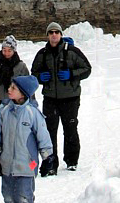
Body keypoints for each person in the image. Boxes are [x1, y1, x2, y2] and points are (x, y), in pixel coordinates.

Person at [0, 75, 54, 203]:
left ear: (23, 93)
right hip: (7, 164)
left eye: (13, 88)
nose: (9, 90)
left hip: (27, 164)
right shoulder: (4, 111)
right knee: (9, 196)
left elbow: (43, 136)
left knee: (24, 195)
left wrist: (47, 157)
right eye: (10, 86)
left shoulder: (32, 113)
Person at [30, 22, 92, 174]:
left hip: (70, 98)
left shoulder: (72, 51)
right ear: (47, 35)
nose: (54, 35)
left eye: (56, 32)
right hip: (51, 98)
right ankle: (51, 163)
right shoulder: (42, 54)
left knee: (70, 129)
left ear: (61, 34)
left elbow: (86, 69)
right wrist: (40, 78)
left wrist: (71, 74)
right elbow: (33, 74)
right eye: (51, 32)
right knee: (49, 131)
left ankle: (71, 161)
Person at [0, 34, 29, 112]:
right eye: (4, 50)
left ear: (14, 51)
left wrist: (31, 101)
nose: (6, 53)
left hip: (16, 104)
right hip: (0, 103)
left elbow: (27, 86)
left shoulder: (21, 66)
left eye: (9, 50)